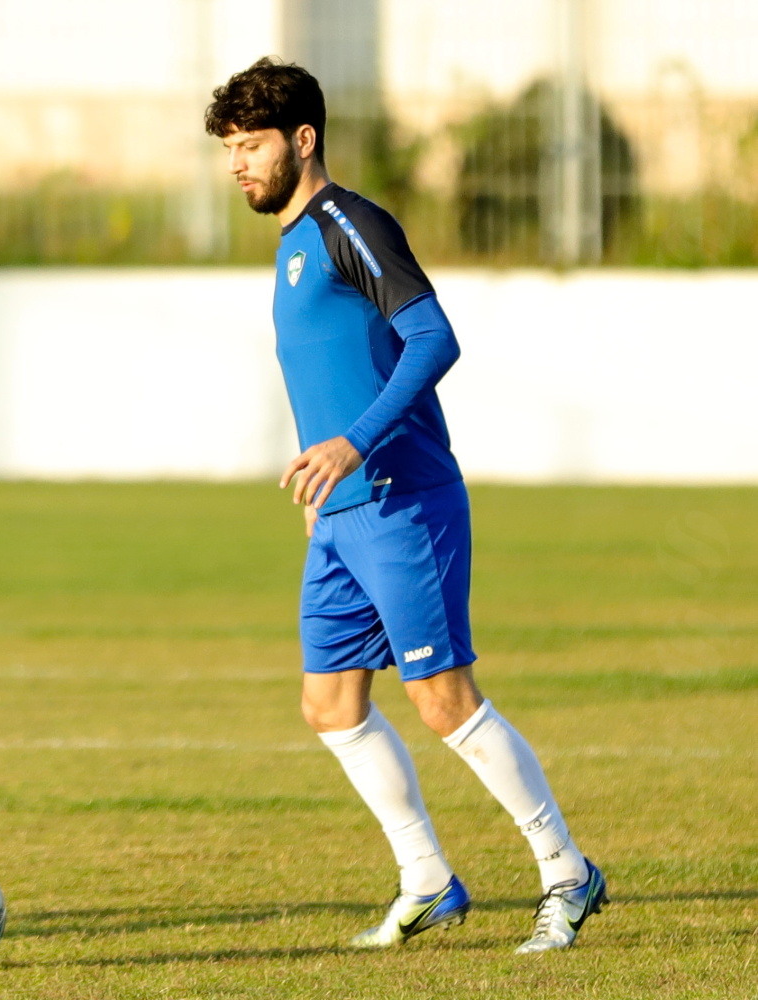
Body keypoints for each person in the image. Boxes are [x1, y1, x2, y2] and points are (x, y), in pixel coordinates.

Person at [204, 57, 607, 953]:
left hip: (402, 499)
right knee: (330, 703)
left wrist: (355, 444)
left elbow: (433, 337)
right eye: (229, 148)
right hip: (342, 515)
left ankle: (567, 874)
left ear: (302, 140)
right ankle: (427, 880)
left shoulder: (350, 222)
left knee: (441, 698)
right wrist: (324, 480)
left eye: (252, 144)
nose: (237, 163)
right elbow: (336, 369)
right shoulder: (290, 244)